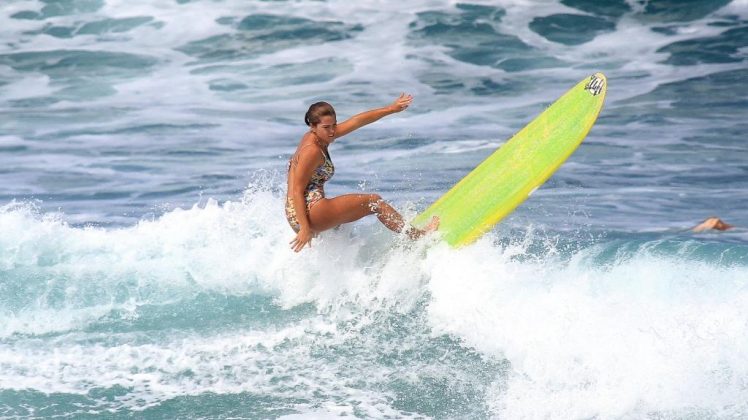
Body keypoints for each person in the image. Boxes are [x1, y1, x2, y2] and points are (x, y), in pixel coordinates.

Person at [285, 94, 439, 252]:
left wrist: (391, 109)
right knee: (374, 202)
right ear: (313, 126)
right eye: (326, 127)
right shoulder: (311, 150)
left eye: (334, 125)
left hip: (300, 211)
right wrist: (304, 228)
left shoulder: (319, 135)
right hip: (305, 212)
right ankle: (418, 236)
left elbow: (357, 121)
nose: (332, 131)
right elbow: (297, 189)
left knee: (344, 233)